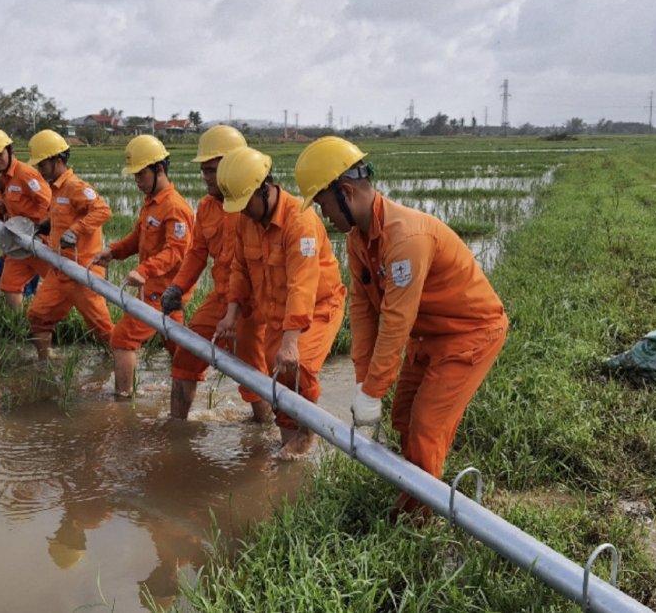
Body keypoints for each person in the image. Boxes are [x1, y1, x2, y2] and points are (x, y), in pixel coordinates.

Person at [295, 136, 508, 516]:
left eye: (325, 204)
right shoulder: (359, 239)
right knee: (402, 416)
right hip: (427, 334)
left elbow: (395, 321)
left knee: (426, 424)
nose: (324, 215)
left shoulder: (406, 238)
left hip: (469, 333)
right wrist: (363, 381)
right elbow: (363, 313)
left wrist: (375, 389)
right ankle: (418, 492)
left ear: (345, 192)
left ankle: (421, 518)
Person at [214, 147, 346, 459]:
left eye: (245, 203)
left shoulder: (300, 221)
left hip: (317, 308)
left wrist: (291, 343)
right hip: (274, 311)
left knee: (299, 370)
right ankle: (292, 451)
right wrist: (231, 315)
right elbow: (240, 268)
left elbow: (302, 284)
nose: (242, 211)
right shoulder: (244, 220)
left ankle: (306, 433)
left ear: (264, 189)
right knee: (279, 378)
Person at [158, 126, 270, 422]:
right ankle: (176, 427)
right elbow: (196, 253)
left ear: (233, 166)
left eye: (211, 170)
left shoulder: (251, 207)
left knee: (252, 371)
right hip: (219, 298)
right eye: (203, 170)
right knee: (186, 354)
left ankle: (266, 430)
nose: (205, 176)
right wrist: (177, 288)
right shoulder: (206, 207)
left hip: (250, 305)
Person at [92, 135, 194, 397]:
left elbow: (177, 251)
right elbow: (137, 239)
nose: (136, 180)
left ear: (159, 169)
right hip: (156, 292)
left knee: (122, 339)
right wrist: (112, 251)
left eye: (141, 174)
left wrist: (144, 270)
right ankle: (189, 393)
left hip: (164, 292)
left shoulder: (175, 207)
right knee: (180, 352)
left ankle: (123, 399)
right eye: (134, 175)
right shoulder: (150, 203)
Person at [24, 130, 114, 360]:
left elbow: (102, 210)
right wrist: (49, 225)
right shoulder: (56, 188)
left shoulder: (75, 186)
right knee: (37, 316)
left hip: (82, 271)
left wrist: (75, 231)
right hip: (60, 269)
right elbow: (65, 217)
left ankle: (122, 363)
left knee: (103, 330)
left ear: (58, 161)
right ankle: (46, 363)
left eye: (42, 164)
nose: (40, 170)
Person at [0, 127, 51, 308]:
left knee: (62, 283)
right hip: (19, 243)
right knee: (9, 286)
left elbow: (47, 203)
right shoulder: (6, 179)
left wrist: (41, 236)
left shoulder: (26, 174)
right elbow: (15, 209)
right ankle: (16, 327)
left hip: (37, 243)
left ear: (11, 151)